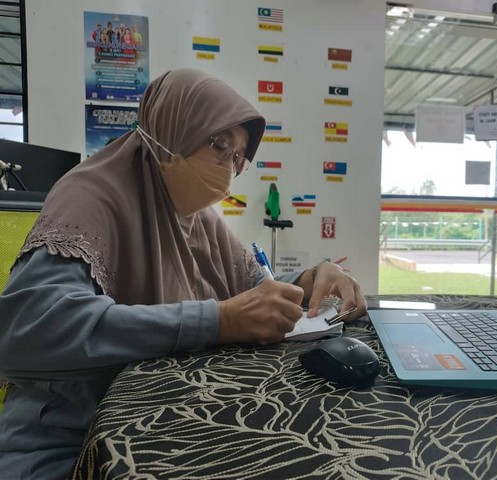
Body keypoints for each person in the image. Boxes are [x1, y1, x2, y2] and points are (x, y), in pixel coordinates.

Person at [0, 68, 367, 479]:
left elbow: (253, 291)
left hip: (159, 424)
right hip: (71, 443)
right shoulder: (89, 198)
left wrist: (311, 280)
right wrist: (217, 321)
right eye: (219, 145)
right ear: (173, 129)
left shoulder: (197, 217)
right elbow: (28, 331)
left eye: (237, 158)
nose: (228, 169)